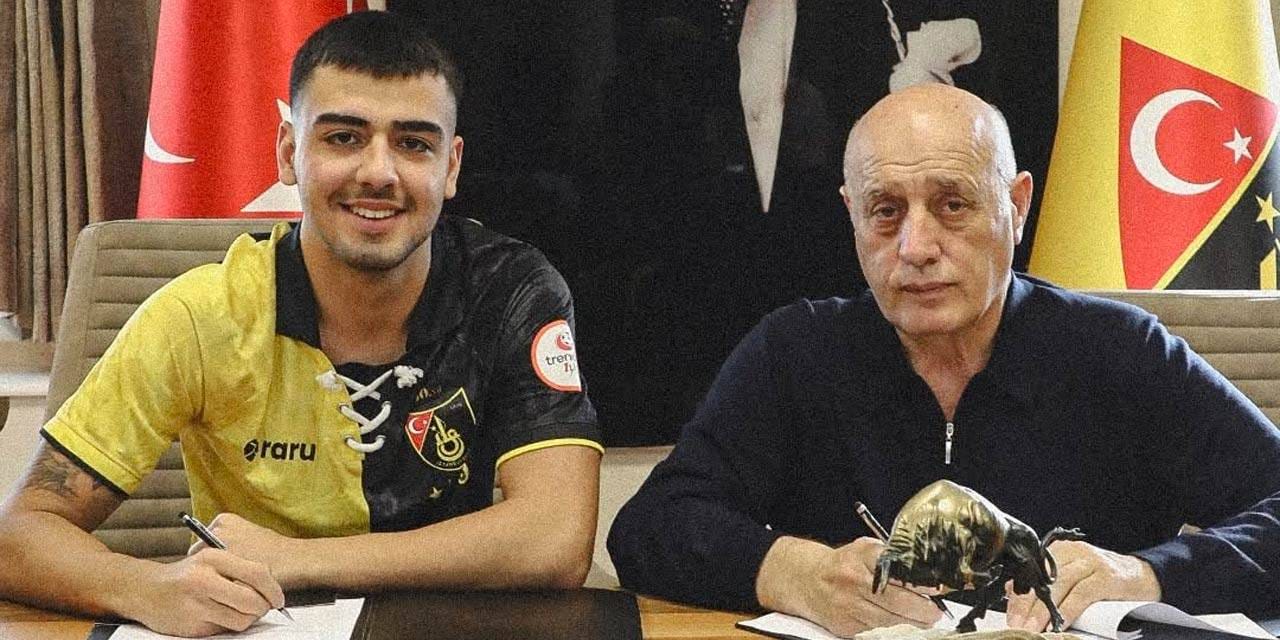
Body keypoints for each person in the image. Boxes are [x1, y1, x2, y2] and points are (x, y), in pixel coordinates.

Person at [0, 11, 602, 637]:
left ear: (450, 168)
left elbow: (556, 539)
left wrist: (299, 560)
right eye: (344, 138)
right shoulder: (200, 315)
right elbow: (18, 534)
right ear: (289, 153)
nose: (378, 172)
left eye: (413, 144)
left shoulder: (512, 291)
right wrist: (147, 588)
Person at [607, 83, 1280, 637]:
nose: (915, 247)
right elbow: (651, 526)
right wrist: (792, 572)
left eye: (952, 205)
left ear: (1016, 207)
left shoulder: (1119, 352)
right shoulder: (796, 352)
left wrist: (1150, 574)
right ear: (850, 215)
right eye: (885, 211)